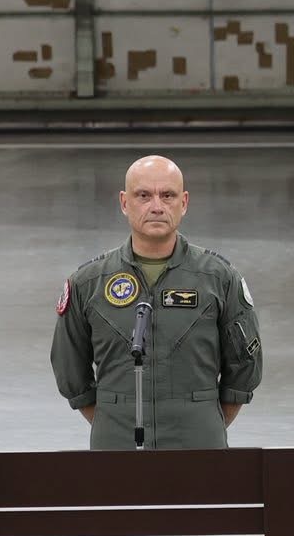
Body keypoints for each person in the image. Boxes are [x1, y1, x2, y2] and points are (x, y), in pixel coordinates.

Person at [50, 155, 263, 449]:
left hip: (198, 440)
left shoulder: (219, 278)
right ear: (124, 202)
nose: (157, 207)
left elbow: (244, 366)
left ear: (184, 202)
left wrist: (201, 417)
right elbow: (69, 366)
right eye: (143, 196)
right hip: (116, 440)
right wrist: (114, 416)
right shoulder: (88, 283)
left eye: (168, 195)